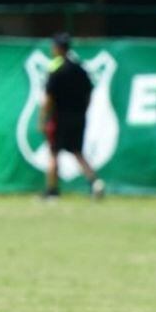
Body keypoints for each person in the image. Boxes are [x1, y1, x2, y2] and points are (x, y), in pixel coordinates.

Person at [38, 32, 105, 199]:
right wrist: (82, 110)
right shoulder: (80, 69)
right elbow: (89, 94)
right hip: (78, 117)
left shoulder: (56, 69)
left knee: (53, 153)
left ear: (57, 48)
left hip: (59, 118)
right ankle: (95, 182)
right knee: (77, 152)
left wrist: (42, 119)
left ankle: (52, 190)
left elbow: (48, 98)